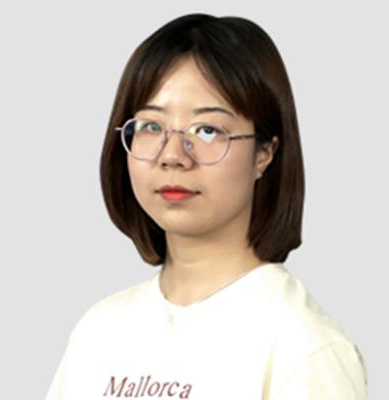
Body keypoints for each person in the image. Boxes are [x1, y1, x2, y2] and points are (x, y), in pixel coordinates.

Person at [45, 13, 368, 399]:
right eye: (151, 126)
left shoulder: (304, 347)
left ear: (264, 153)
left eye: (208, 130)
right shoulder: (98, 332)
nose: (173, 156)